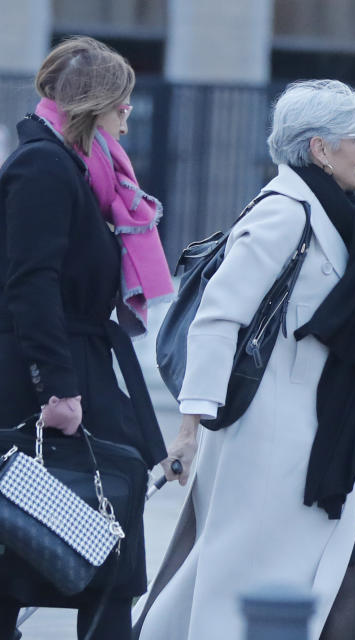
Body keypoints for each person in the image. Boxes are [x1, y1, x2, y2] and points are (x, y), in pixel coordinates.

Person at [133, 79, 355, 640]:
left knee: (325, 576)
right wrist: (189, 427)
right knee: (239, 580)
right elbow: (216, 318)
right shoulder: (284, 213)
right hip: (266, 444)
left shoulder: (341, 217)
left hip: (311, 438)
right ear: (320, 149)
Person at [0, 36, 172, 639]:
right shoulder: (44, 166)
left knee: (96, 546)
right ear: (93, 105)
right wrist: (58, 389)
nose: (128, 113)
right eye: (121, 103)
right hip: (46, 374)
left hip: (75, 363)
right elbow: (31, 284)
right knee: (49, 544)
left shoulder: (75, 167)